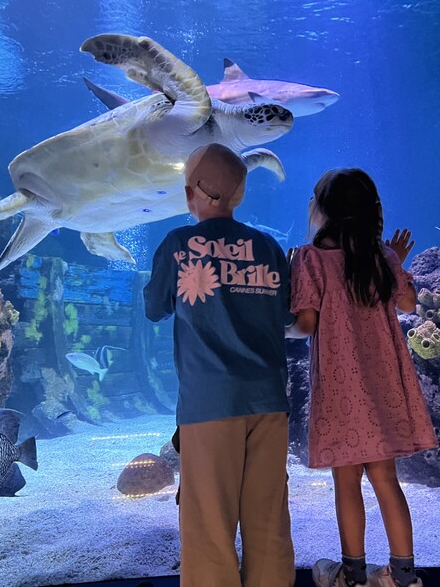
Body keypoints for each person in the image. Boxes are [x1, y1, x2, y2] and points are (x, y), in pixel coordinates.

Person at [144, 143, 296, 587]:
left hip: (209, 404)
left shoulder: (177, 245)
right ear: (241, 194)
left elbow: (155, 308)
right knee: (268, 520)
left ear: (189, 194)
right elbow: (286, 317)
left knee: (209, 524)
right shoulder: (268, 247)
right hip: (269, 401)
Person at [286, 168, 438, 587]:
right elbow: (408, 304)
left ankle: (352, 574)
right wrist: (394, 262)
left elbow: (306, 324)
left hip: (340, 390)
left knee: (346, 480)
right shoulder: (381, 257)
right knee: (386, 480)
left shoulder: (310, 259)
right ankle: (402, 575)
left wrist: (279, 331)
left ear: (323, 210)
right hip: (383, 386)